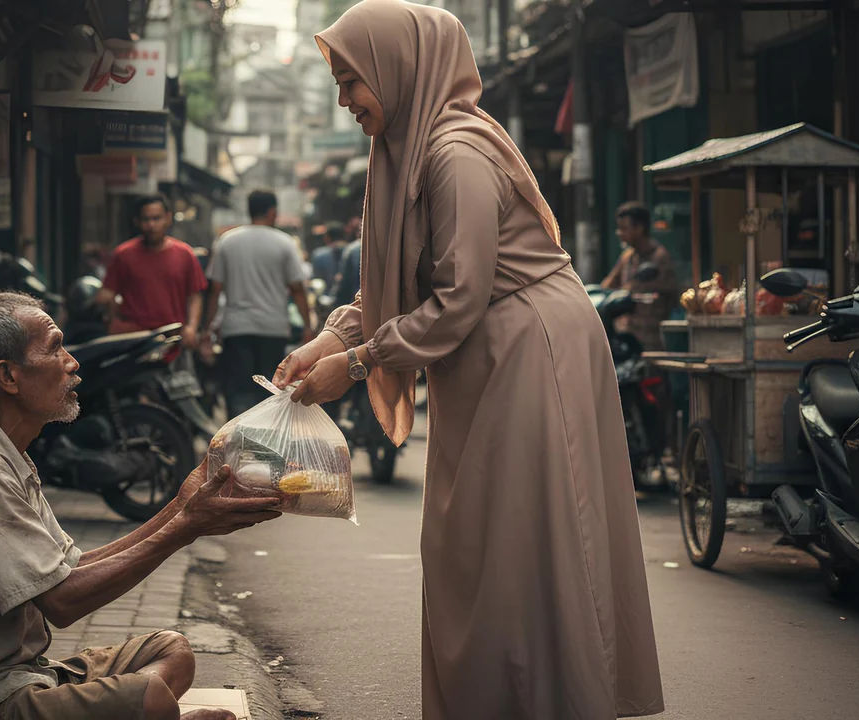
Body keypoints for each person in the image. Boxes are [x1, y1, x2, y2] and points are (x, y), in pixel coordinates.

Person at [273, 2, 664, 717]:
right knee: (476, 545)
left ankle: (555, 698)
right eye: (339, 85)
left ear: (400, 70)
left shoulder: (454, 153)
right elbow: (402, 280)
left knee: (522, 540)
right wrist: (331, 338)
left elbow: (457, 295)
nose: (346, 101)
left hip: (530, 343)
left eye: (353, 81)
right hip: (488, 347)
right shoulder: (408, 151)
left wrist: (357, 363)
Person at [0, 291, 280, 720]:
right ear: (9, 377)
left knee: (174, 651)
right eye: (54, 348)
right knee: (152, 698)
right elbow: (64, 603)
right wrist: (184, 527)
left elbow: (70, 568)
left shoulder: (7, 455)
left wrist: (181, 508)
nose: (72, 363)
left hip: (19, 678)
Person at [203, 190, 313, 418]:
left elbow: (214, 290)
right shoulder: (284, 243)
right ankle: (265, 446)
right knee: (269, 390)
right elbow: (298, 289)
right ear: (273, 211)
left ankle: (238, 441)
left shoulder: (227, 241)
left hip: (236, 328)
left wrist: (207, 327)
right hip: (272, 328)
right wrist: (307, 325)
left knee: (238, 390)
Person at [96, 194, 208, 350]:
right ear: (137, 222)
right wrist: (113, 321)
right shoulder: (124, 254)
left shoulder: (185, 254)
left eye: (157, 218)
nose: (151, 225)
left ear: (168, 218)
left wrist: (192, 327)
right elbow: (108, 293)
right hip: (134, 339)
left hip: (173, 338)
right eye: (146, 219)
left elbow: (194, 295)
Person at [601, 201, 680, 351]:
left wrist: (629, 290)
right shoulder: (628, 256)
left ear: (639, 228)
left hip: (650, 339)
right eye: (619, 228)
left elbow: (665, 296)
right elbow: (608, 284)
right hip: (624, 336)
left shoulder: (659, 258)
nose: (619, 233)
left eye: (624, 228)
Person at [310, 221, 347, 288]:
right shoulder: (354, 251)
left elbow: (317, 281)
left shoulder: (319, 255)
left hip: (326, 296)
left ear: (327, 237)